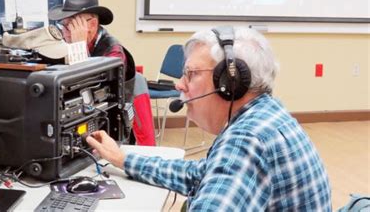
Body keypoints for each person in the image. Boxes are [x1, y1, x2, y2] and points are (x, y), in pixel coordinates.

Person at [86, 26, 332, 211]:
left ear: (229, 83)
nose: (180, 85)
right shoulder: (266, 114)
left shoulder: (247, 141)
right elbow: (201, 174)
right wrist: (123, 159)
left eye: (190, 74)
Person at [49, 0, 156, 146]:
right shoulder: (68, 43)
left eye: (70, 26)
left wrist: (79, 48)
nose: (65, 32)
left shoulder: (114, 53)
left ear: (92, 25)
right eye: (63, 25)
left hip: (110, 125)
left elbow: (90, 88)